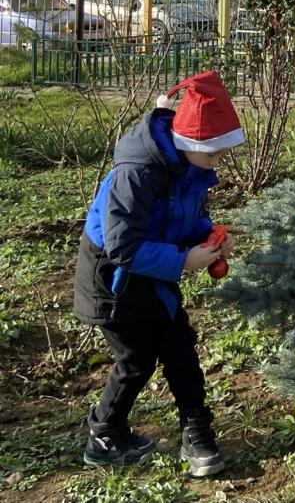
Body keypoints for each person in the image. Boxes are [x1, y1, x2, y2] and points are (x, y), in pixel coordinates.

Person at [73, 71, 245, 475]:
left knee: (179, 347)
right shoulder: (137, 173)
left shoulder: (190, 167)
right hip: (114, 277)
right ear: (189, 142)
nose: (218, 161)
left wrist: (208, 234)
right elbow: (122, 246)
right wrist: (183, 261)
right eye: (213, 153)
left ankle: (197, 433)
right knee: (136, 359)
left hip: (152, 268)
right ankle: (104, 436)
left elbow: (182, 216)